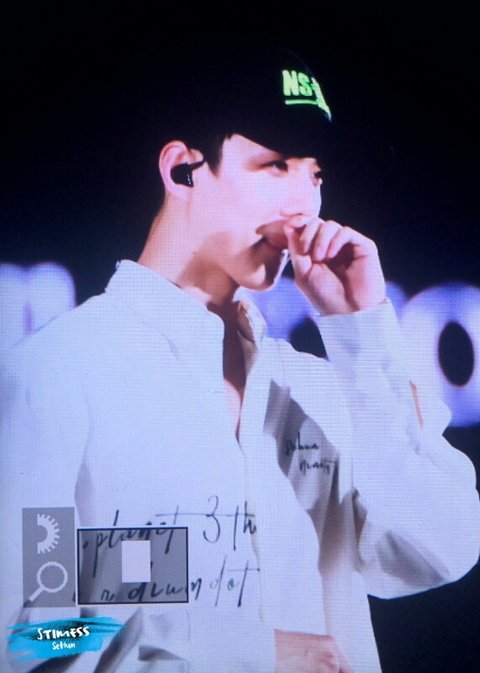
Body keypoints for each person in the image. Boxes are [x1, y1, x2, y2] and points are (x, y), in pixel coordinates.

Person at [1, 42, 479, 673]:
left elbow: (437, 550)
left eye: (315, 174)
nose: (304, 204)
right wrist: (247, 653)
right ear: (182, 170)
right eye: (276, 166)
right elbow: (24, 639)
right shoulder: (60, 372)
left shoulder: (322, 387)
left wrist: (362, 334)